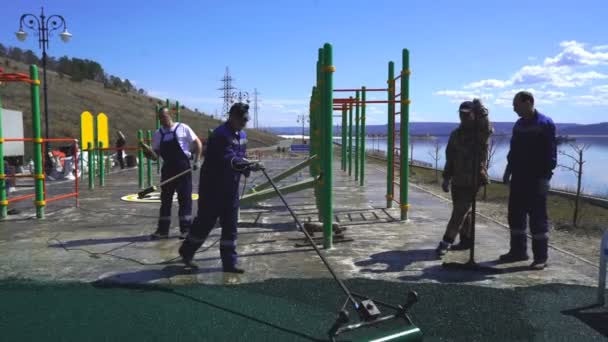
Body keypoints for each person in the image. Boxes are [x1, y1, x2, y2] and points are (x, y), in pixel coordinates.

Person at [178, 103, 263, 273]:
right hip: (213, 188)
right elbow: (228, 158)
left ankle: (229, 263)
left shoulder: (243, 135)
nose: (244, 123)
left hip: (231, 187)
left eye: (246, 119)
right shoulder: (220, 135)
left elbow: (241, 156)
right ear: (232, 116)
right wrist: (246, 164)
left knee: (231, 225)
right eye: (241, 119)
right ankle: (187, 251)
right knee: (205, 223)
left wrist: (247, 167)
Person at [500, 91, 556, 270]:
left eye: (516, 104)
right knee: (515, 216)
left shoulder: (544, 123)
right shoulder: (518, 125)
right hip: (518, 178)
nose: (514, 108)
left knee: (538, 219)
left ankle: (541, 258)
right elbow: (513, 151)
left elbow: (550, 153)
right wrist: (508, 171)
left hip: (536, 178)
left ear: (528, 102)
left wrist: (546, 177)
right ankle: (518, 252)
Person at [435, 99, 492, 256]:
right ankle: (466, 241)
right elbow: (450, 157)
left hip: (473, 179)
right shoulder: (456, 134)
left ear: (474, 115)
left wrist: (482, 109)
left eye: (467, 114)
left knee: (460, 212)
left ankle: (446, 241)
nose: (463, 117)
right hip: (458, 179)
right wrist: (446, 178)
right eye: (461, 114)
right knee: (463, 213)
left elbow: (487, 127)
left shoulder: (479, 133)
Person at [148, 107, 202, 240]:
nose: (162, 119)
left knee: (185, 199)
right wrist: (148, 154)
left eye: (164, 116)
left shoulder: (183, 128)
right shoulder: (158, 134)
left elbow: (198, 143)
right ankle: (162, 231)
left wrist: (197, 160)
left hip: (183, 168)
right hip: (167, 169)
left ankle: (186, 230)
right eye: (160, 117)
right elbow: (155, 156)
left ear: (170, 115)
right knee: (165, 200)